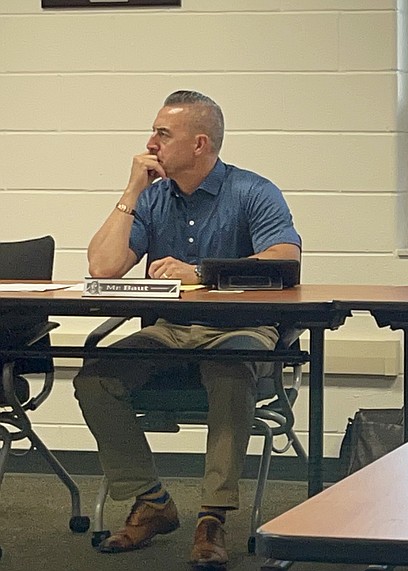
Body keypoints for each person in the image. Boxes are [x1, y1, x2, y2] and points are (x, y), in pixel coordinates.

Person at [73, 90, 301, 569]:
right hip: (170, 330)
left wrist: (200, 273)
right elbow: (103, 266)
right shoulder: (154, 197)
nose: (150, 142)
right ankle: (151, 500)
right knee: (95, 376)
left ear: (200, 144)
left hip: (240, 327)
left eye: (162, 133)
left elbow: (285, 258)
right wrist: (132, 191)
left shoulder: (253, 191)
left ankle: (212, 515)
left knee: (230, 368)